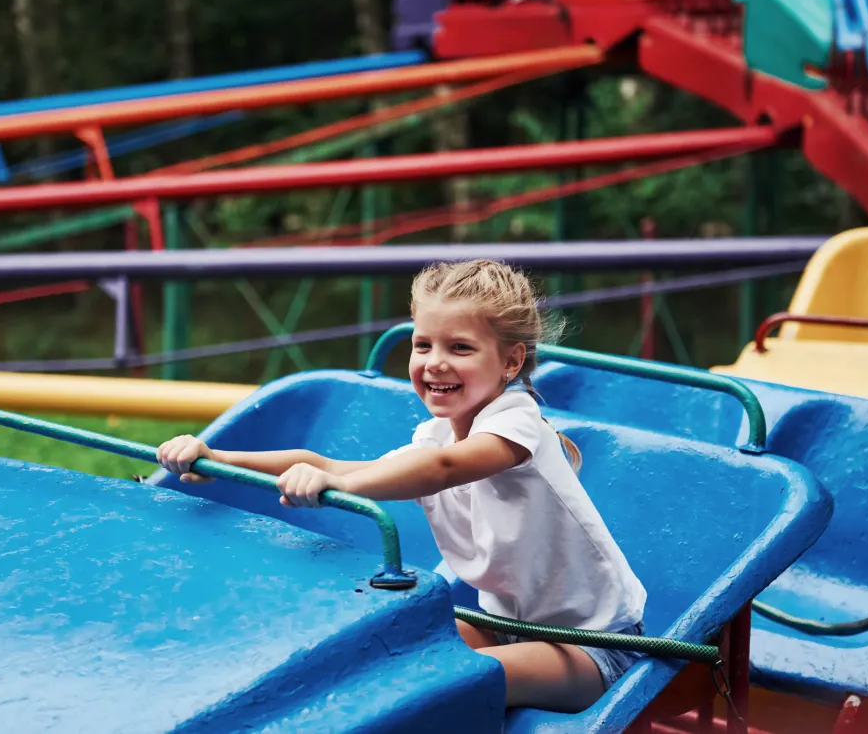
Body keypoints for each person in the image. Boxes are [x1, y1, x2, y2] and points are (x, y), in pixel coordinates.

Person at [157, 259, 647, 713]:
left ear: (510, 363)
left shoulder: (516, 424)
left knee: (448, 684)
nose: (434, 362)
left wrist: (334, 481)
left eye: (460, 348)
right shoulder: (432, 437)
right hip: (504, 627)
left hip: (596, 647)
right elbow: (325, 461)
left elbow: (445, 468)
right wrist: (218, 459)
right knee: (388, 650)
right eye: (422, 344)